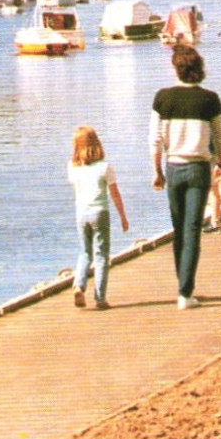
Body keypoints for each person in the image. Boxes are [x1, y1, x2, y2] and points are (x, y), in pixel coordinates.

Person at [150, 45, 221, 310]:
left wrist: (156, 170)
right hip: (198, 168)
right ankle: (185, 292)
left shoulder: (162, 98)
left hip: (173, 166)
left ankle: (182, 286)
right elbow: (220, 136)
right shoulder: (210, 99)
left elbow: (155, 139)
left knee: (179, 229)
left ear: (176, 68)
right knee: (193, 228)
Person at [67, 125, 129, 310]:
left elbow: (76, 189)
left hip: (81, 214)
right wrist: (123, 217)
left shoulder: (72, 167)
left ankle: (79, 285)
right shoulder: (105, 167)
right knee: (101, 255)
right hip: (100, 213)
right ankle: (100, 298)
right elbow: (115, 194)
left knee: (85, 252)